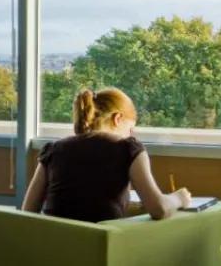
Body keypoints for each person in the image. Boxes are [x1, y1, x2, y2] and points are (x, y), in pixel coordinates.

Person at [22, 88, 191, 222]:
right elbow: (159, 209)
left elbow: (27, 212)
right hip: (101, 249)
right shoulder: (128, 148)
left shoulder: (53, 150)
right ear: (117, 118)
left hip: (54, 249)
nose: (131, 134)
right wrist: (179, 198)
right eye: (130, 128)